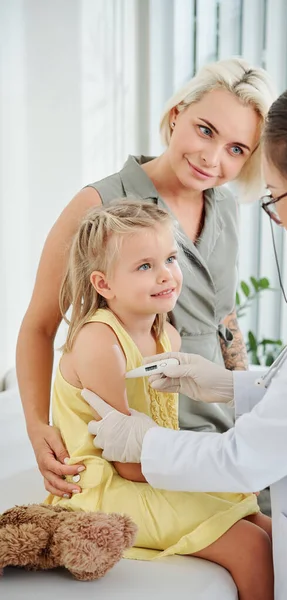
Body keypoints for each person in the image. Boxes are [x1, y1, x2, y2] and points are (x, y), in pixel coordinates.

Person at [83, 36, 287, 600]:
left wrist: (145, 442)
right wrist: (230, 385)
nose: (276, 218)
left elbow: (247, 458)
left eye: (275, 198)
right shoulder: (101, 207)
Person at [16, 58, 275, 501]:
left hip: (221, 425)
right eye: (206, 130)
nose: (212, 159)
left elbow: (224, 316)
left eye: (236, 149)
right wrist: (38, 427)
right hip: (144, 433)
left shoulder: (226, 209)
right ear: (177, 116)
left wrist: (244, 401)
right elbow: (40, 325)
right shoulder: (99, 202)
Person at [45, 200, 273, 600]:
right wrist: (215, 473)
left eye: (170, 258)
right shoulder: (101, 343)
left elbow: (157, 440)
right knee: (253, 546)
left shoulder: (167, 334)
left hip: (153, 468)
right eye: (145, 266)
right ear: (103, 285)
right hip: (104, 489)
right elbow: (127, 466)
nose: (166, 274)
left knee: (271, 528)